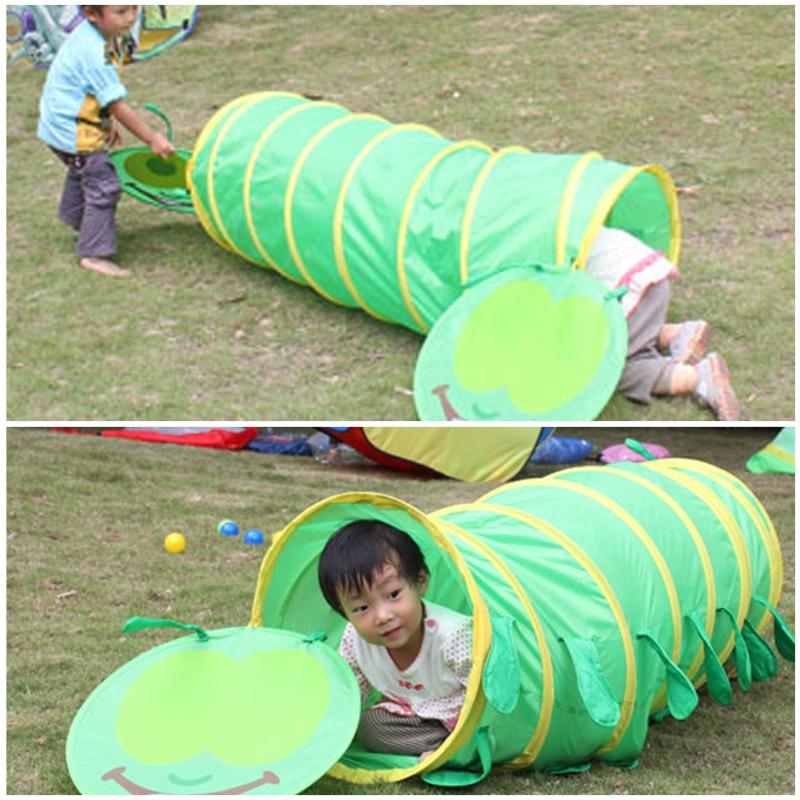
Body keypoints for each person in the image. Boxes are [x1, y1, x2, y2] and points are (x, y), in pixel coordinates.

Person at [37, 5, 176, 278]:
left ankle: (79, 219)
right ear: (92, 14)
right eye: (121, 11)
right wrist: (153, 138)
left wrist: (104, 121)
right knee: (104, 184)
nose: (131, 17)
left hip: (61, 127)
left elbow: (90, 91)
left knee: (84, 170)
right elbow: (115, 103)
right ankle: (94, 253)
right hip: (73, 131)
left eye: (134, 8)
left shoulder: (102, 35)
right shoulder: (93, 51)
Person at [318, 520, 472, 761]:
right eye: (360, 608)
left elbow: (486, 695)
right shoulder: (355, 641)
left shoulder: (453, 634)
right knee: (369, 726)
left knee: (481, 728)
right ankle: (443, 748)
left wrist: (467, 732)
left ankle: (460, 749)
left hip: (465, 716)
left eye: (393, 594)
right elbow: (347, 695)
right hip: (412, 718)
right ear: (343, 613)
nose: (382, 616)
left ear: (420, 581)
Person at [586, 226, 741, 420]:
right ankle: (677, 334)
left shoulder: (545, 252)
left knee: (614, 368)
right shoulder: (568, 220)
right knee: (619, 328)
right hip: (648, 271)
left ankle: (696, 377)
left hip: (630, 289)